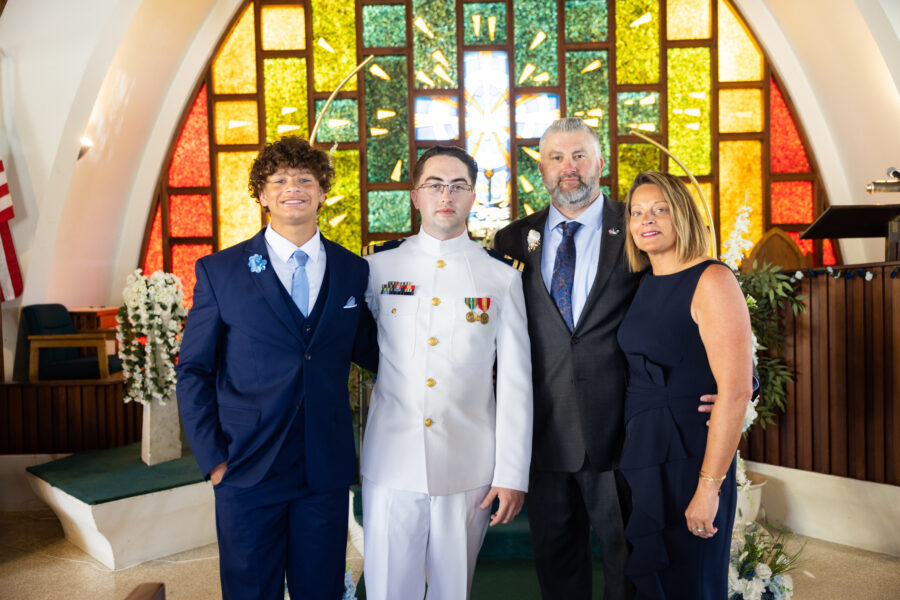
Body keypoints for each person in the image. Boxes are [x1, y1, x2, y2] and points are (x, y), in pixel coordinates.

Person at [176, 136, 378, 600]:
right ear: (262, 194)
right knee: (251, 592)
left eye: (306, 179)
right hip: (246, 466)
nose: (294, 188)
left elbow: (374, 351)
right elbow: (193, 372)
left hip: (323, 470)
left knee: (320, 590)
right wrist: (215, 463)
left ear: (323, 191)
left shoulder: (352, 271)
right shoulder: (219, 271)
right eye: (280, 179)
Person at [361, 145, 533, 600]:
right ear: (415, 195)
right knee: (387, 590)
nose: (446, 195)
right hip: (391, 459)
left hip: (468, 462)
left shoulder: (501, 277)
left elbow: (516, 382)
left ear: (473, 197)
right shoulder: (377, 267)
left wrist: (512, 471)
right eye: (435, 184)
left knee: (452, 590)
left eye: (458, 186)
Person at [493, 117, 641, 599]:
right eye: (556, 158)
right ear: (542, 170)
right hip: (543, 432)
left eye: (579, 155)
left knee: (628, 559)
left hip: (620, 431)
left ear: (601, 163)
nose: (568, 168)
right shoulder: (512, 241)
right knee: (557, 565)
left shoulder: (637, 229)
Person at [617, 170, 753, 598]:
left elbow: (735, 390)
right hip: (644, 448)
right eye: (638, 212)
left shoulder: (712, 279)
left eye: (660, 209)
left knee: (691, 580)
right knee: (655, 581)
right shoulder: (642, 284)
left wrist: (708, 487)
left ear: (683, 216)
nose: (647, 220)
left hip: (692, 453)